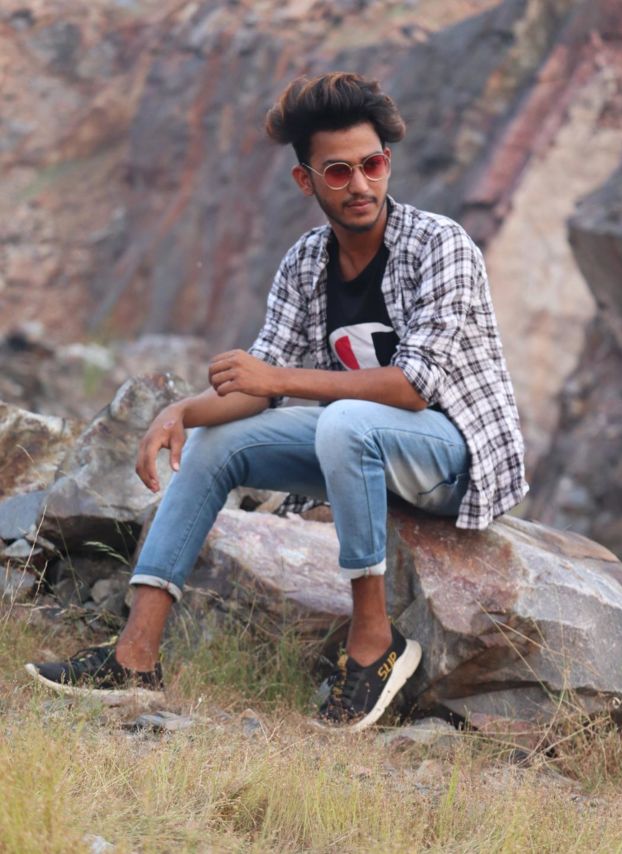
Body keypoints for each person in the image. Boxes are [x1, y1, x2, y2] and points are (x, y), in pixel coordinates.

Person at [26, 71, 528, 731]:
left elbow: (412, 386)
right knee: (218, 444)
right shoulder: (305, 264)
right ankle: (135, 656)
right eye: (339, 171)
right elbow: (256, 388)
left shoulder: (441, 245)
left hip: (450, 455)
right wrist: (180, 414)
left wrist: (279, 379)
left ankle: (374, 645)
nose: (360, 185)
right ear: (306, 181)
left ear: (388, 163)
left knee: (344, 423)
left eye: (373, 165)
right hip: (358, 449)